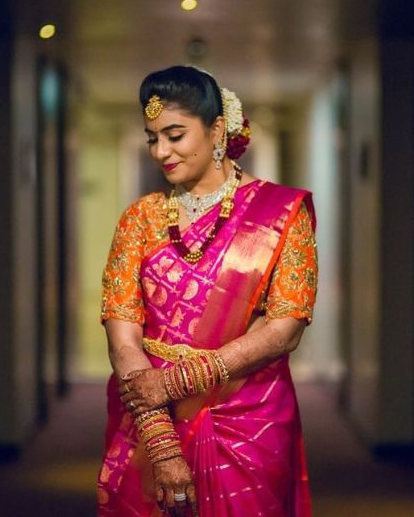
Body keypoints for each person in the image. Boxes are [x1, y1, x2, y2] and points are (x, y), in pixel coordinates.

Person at [97, 65, 318, 517]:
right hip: (151, 416)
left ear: (217, 129)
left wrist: (174, 381)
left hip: (249, 416)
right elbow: (122, 338)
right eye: (152, 138)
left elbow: (284, 330)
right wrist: (162, 444)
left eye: (175, 135)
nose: (161, 151)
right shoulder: (139, 219)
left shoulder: (283, 214)